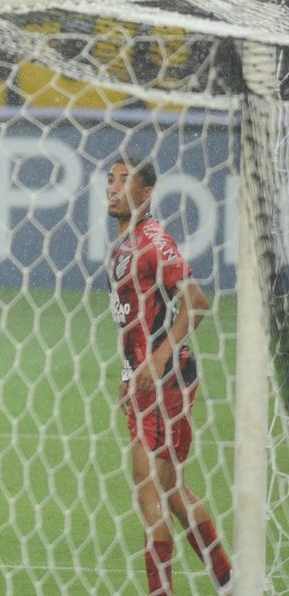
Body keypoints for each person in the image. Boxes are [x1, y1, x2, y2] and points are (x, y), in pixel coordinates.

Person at [105, 157, 232, 594]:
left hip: (165, 384)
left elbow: (195, 300)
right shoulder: (125, 243)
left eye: (126, 181)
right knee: (170, 489)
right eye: (111, 179)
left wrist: (157, 359)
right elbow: (136, 320)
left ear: (146, 193)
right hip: (150, 382)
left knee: (148, 492)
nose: (114, 188)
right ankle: (228, 579)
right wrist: (129, 370)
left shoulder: (153, 241)